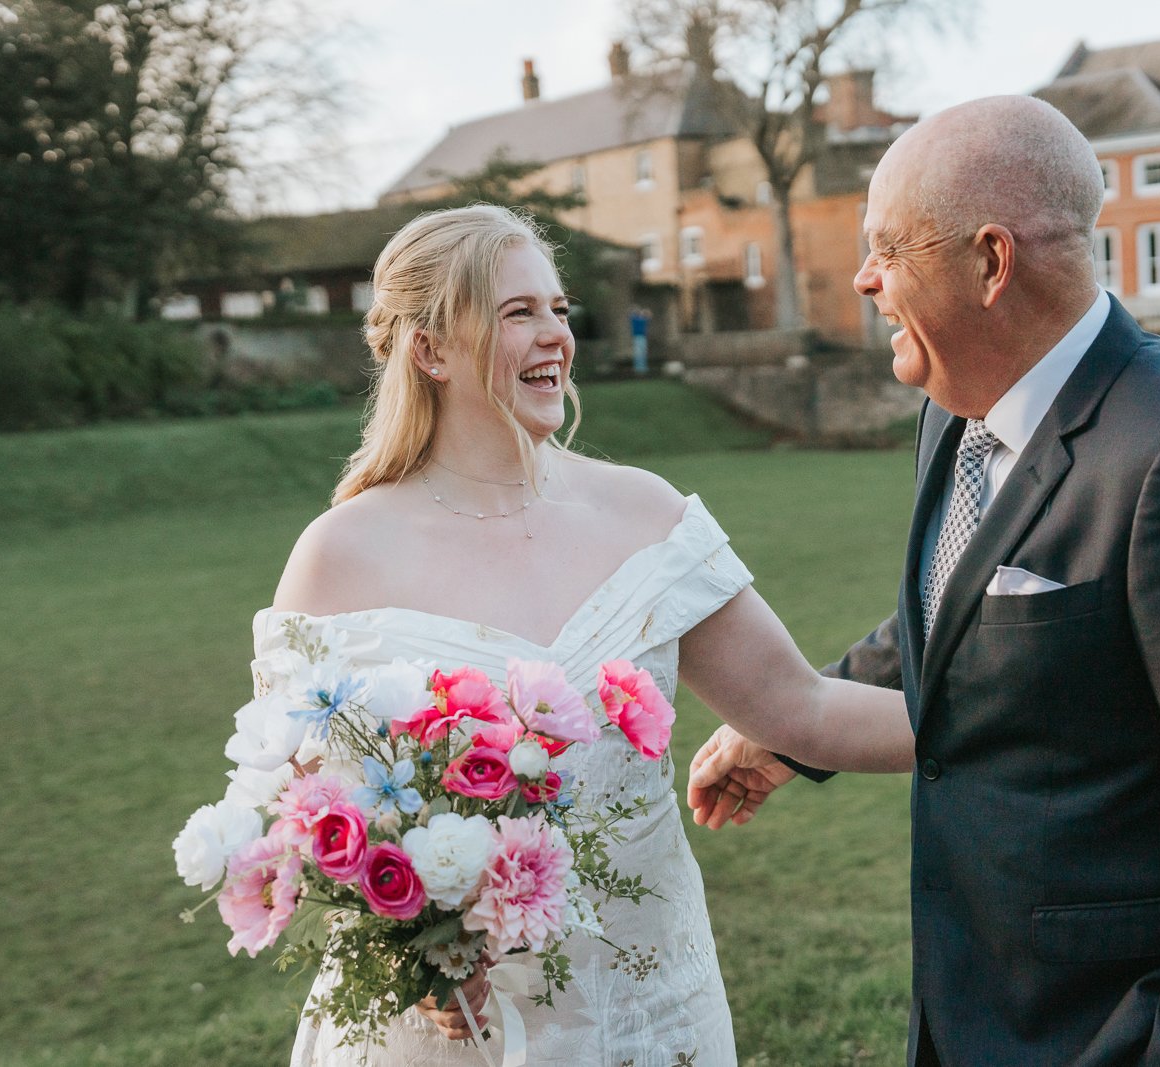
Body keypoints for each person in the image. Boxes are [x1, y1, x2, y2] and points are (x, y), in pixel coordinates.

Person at [688, 96, 1160, 1067]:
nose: (863, 277)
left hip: (1117, 1024)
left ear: (990, 262)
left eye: (888, 248)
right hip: (971, 1006)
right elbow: (963, 612)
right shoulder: (952, 410)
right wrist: (798, 729)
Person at [262, 204, 912, 1065]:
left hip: (647, 1015)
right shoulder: (340, 556)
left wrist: (1015, 722)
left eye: (559, 310)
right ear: (431, 349)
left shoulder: (645, 513)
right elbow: (298, 812)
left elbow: (804, 706)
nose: (554, 337)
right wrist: (410, 947)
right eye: (517, 312)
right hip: (445, 1035)